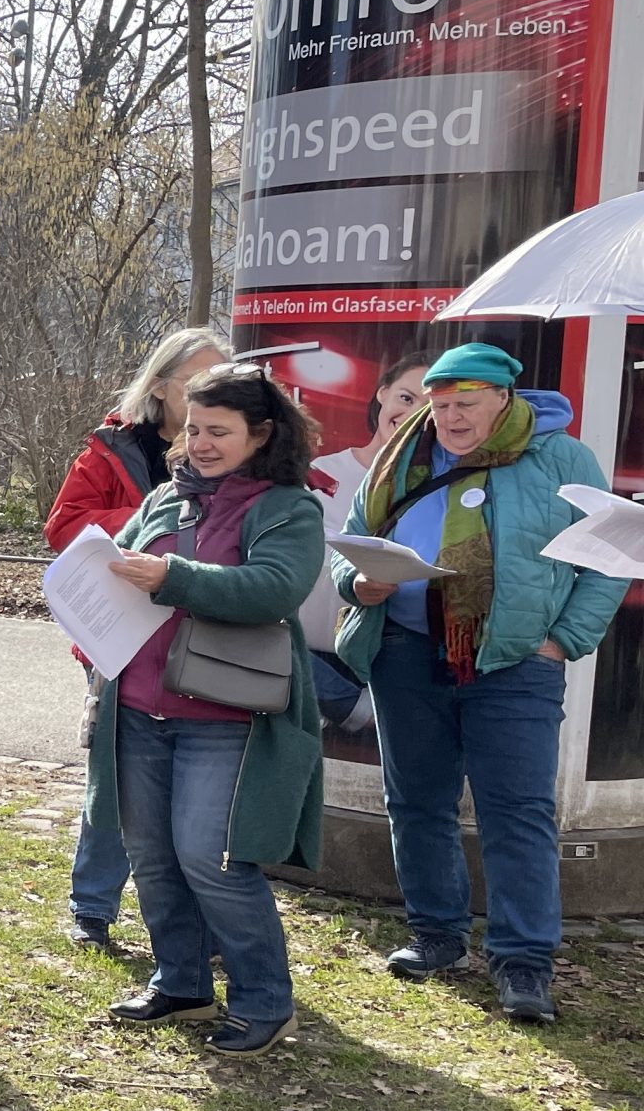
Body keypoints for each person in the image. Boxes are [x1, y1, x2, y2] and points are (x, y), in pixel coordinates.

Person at [336, 343, 628, 1025]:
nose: (450, 418)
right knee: (416, 800)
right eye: (440, 405)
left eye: (466, 404)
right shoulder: (401, 452)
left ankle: (524, 962)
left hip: (515, 662)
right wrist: (358, 582)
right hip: (405, 653)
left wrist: (563, 641)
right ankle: (436, 934)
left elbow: (611, 556)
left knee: (517, 811)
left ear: (504, 398)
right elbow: (350, 539)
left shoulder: (562, 457)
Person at [90, 364, 325, 1059]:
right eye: (193, 428)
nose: (200, 443)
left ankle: (264, 1001)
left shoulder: (287, 506)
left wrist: (174, 577)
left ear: (262, 433)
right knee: (153, 855)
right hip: (138, 705)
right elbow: (119, 564)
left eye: (219, 431)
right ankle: (183, 983)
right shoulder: (166, 497)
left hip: (224, 716)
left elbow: (275, 588)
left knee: (210, 857)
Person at [44, 327, 233, 951]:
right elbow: (63, 526)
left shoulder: (243, 447)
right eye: (199, 381)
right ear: (159, 387)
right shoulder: (111, 447)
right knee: (118, 773)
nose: (213, 392)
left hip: (208, 635)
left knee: (192, 792)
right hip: (120, 635)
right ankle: (92, 905)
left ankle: (189, 925)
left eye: (222, 378)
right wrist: (152, 520)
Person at [300, 351, 435, 732]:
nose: (411, 415)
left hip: (383, 663)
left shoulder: (436, 493)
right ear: (382, 394)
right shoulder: (321, 475)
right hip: (308, 660)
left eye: (427, 408)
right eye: (406, 398)